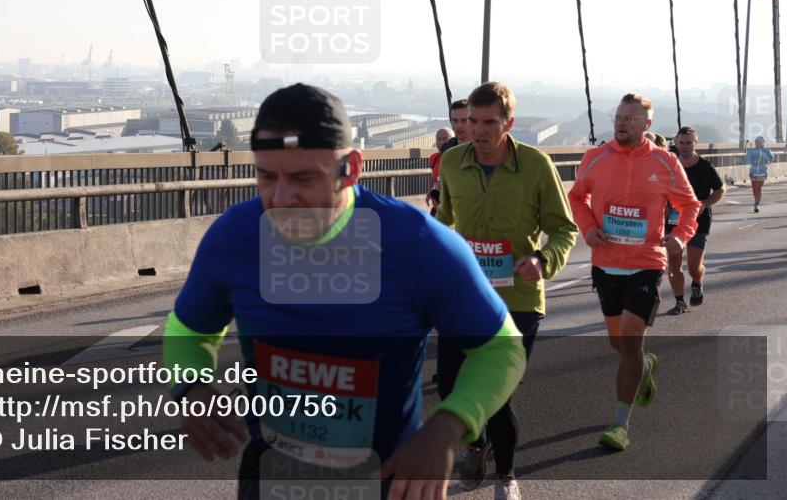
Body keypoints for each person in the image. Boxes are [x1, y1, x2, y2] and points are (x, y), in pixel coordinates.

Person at [162, 83, 526, 500]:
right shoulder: (234, 235)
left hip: (387, 480)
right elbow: (188, 327)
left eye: (303, 178)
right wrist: (191, 387)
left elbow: (501, 348)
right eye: (266, 177)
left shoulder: (419, 245)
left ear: (351, 168)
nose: (281, 199)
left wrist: (446, 428)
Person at [436, 82, 577, 500]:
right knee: (448, 387)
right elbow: (444, 219)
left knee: (496, 394)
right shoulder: (452, 163)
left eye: (488, 123)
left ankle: (506, 477)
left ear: (508, 123)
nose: (477, 131)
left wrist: (542, 260)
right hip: (464, 296)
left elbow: (564, 229)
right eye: (471, 122)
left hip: (518, 299)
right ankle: (477, 445)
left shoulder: (536, 165)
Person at [568, 93, 701, 451]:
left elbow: (690, 205)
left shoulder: (665, 161)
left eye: (631, 118)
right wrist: (588, 228)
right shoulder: (596, 158)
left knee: (629, 340)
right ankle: (643, 366)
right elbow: (577, 197)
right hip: (605, 264)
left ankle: (620, 424)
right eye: (619, 117)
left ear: (647, 125)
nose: (622, 122)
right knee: (618, 343)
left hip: (646, 263)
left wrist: (680, 236)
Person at [665, 126, 724, 314]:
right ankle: (680, 302)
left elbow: (720, 190)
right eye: (681, 143)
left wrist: (703, 204)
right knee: (673, 264)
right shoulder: (671, 166)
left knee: (693, 267)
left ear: (695, 143)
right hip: (673, 222)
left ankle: (697, 282)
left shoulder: (705, 167)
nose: (684, 146)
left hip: (699, 222)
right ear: (675, 142)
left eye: (688, 143)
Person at [744, 136, 776, 213]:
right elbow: (746, 159)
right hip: (753, 172)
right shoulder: (752, 151)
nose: (756, 143)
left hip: (762, 172)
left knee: (758, 188)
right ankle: (756, 201)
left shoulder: (766, 150)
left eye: (758, 142)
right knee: (754, 189)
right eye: (755, 142)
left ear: (762, 142)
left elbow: (772, 157)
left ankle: (756, 204)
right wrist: (750, 161)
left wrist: (768, 161)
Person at [427, 127, 453, 215]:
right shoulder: (434, 158)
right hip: (438, 204)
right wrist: (429, 192)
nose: (442, 142)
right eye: (439, 139)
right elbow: (434, 177)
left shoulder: (458, 158)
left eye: (445, 138)